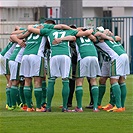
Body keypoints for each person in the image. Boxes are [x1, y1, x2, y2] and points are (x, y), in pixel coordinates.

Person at [28, 24, 93, 112]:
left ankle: (48, 107)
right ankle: (65, 107)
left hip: (54, 56)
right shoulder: (69, 31)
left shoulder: (49, 31)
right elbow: (81, 35)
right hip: (65, 56)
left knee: (51, 81)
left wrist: (37, 26)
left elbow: (31, 29)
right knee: (65, 80)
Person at [93, 27, 130, 112]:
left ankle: (119, 106)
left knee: (114, 81)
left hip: (116, 57)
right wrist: (108, 34)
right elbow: (117, 37)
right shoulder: (110, 38)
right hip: (120, 56)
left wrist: (105, 34)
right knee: (104, 79)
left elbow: (97, 34)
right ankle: (112, 104)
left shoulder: (100, 38)